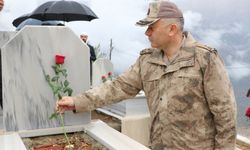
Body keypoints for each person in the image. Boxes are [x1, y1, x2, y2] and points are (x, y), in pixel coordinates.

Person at [56, 1, 237, 149]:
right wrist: (77, 102)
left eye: (151, 27)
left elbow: (225, 114)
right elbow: (118, 87)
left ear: (172, 29)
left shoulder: (204, 59)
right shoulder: (147, 61)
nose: (146, 33)